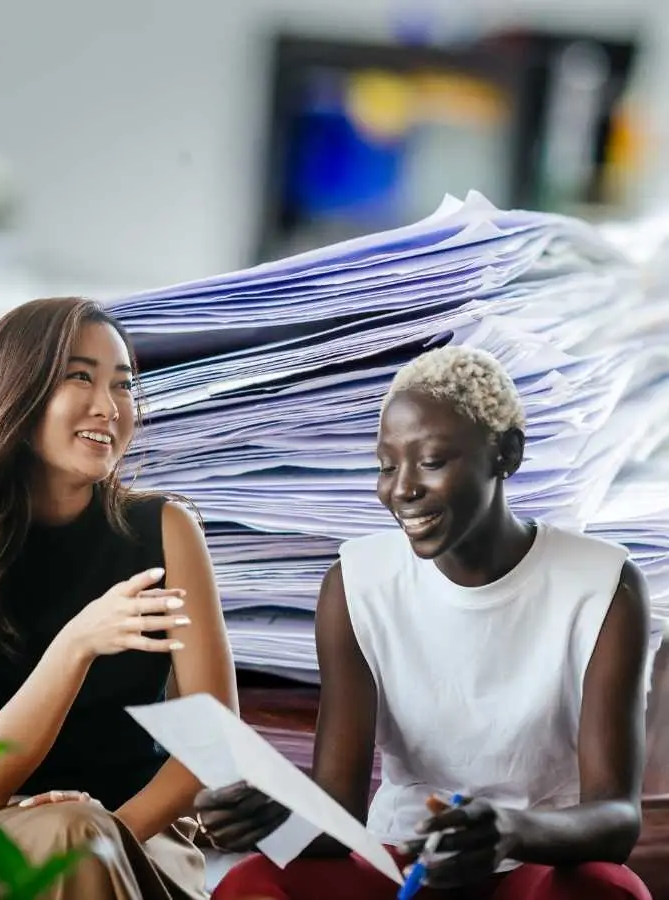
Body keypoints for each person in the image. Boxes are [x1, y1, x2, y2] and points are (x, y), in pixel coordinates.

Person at [195, 346, 652, 900]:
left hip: (532, 861)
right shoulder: (357, 584)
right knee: (254, 883)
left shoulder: (604, 585)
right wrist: (271, 817)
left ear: (505, 454)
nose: (402, 489)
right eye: (387, 466)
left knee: (608, 890)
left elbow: (617, 818)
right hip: (401, 862)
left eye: (432, 461)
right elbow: (339, 808)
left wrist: (511, 832)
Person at [0, 297, 237, 900]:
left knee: (81, 836)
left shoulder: (166, 529)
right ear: (17, 396)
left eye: (123, 385)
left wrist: (107, 840)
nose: (109, 407)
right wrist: (77, 644)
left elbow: (213, 738)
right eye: (80, 376)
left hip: (142, 835)